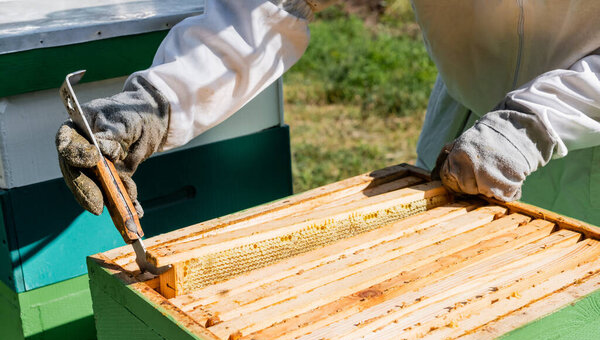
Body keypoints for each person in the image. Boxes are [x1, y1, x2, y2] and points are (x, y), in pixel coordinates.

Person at [56, 0, 600, 225]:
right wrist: (160, 100)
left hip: (589, 153)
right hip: (468, 133)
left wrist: (533, 123)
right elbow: (275, 8)